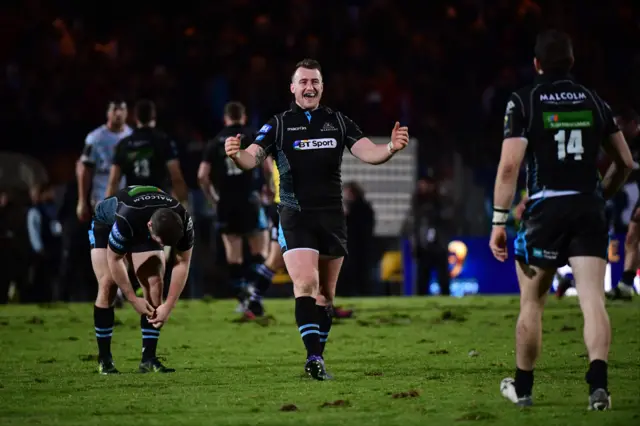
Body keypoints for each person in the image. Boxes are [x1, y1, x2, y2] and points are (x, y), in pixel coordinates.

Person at [224, 58, 409, 380]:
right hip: (295, 215)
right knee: (306, 284)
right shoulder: (279, 124)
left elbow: (368, 152)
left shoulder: (338, 121)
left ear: (322, 87)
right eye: (303, 82)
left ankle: (317, 356)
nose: (309, 87)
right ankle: (313, 357)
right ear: (293, 87)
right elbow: (251, 158)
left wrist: (391, 147)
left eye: (315, 82)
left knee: (326, 296)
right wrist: (236, 154)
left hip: (332, 217)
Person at [490, 30, 633, 410]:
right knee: (592, 300)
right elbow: (626, 163)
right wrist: (602, 193)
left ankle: (522, 389)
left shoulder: (525, 101)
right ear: (571, 63)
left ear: (536, 64)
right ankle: (598, 388)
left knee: (532, 303)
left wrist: (498, 222)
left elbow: (509, 168)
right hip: (588, 208)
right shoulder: (594, 101)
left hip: (545, 211)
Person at [89, 185, 194, 374]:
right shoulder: (127, 217)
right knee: (108, 284)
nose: (162, 247)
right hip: (107, 222)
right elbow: (115, 259)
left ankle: (148, 359)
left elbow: (182, 262)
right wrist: (133, 299)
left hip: (146, 220)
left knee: (155, 280)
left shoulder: (184, 219)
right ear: (151, 228)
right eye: (161, 242)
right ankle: (105, 360)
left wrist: (168, 307)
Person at [197, 102, 269, 316]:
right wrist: (270, 188)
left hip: (226, 203)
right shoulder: (253, 136)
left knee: (234, 256)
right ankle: (255, 296)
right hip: (250, 199)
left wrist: (213, 198)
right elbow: (266, 166)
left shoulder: (215, 142)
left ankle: (243, 299)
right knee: (260, 252)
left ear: (225, 117)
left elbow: (202, 176)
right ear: (244, 117)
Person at [77, 100, 132, 222]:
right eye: (114, 109)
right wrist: (82, 201)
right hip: (101, 193)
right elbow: (85, 169)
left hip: (126, 194)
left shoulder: (131, 135)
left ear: (127, 112)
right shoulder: (95, 138)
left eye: (122, 109)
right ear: (108, 113)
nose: (118, 113)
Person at [607, 108, 640, 300]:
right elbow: (618, 165)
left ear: (633, 124)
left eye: (620, 126)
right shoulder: (628, 144)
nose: (617, 129)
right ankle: (626, 285)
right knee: (632, 235)